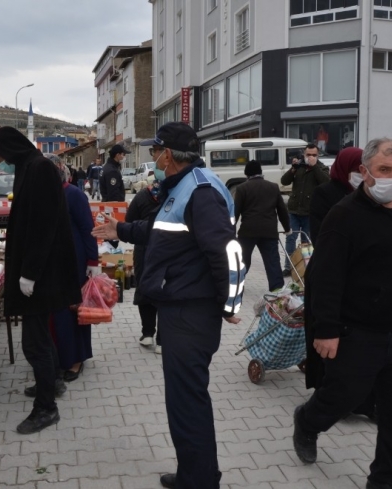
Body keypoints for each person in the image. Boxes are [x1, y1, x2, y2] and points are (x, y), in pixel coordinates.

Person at [92, 122, 245, 489]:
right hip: (180, 307)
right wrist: (121, 230)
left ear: (170, 156)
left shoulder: (201, 191)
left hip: (191, 314)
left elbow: (228, 252)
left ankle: (199, 481)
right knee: (184, 401)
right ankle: (197, 472)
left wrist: (231, 304)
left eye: (155, 151)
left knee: (187, 403)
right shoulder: (180, 187)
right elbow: (162, 230)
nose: (152, 158)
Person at [293, 138, 392, 489]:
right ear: (364, 172)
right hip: (357, 334)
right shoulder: (344, 216)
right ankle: (307, 421)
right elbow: (325, 277)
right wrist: (325, 329)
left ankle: (385, 480)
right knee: (340, 398)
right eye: (384, 170)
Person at [0, 127, 81, 435]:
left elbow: (42, 224)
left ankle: (46, 409)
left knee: (34, 342)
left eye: (1, 157)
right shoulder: (31, 166)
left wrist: (29, 273)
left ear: (12, 149)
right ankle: (51, 382)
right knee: (40, 335)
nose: (0, 163)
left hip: (42, 274)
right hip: (42, 271)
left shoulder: (38, 169)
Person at [306, 146, 376, 421]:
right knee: (331, 343)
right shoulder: (326, 194)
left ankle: (365, 400)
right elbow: (321, 236)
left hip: (363, 283)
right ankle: (327, 400)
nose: (362, 175)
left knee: (362, 347)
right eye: (356, 169)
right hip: (330, 276)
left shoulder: (373, 196)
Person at [42, 154, 100, 382]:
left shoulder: (74, 195)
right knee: (55, 313)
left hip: (74, 261)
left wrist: (93, 263)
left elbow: (88, 229)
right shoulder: (44, 196)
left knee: (73, 310)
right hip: (51, 263)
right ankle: (56, 358)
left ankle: (75, 360)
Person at [234, 160, 290, 292]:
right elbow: (282, 210)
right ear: (261, 172)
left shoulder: (242, 188)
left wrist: (230, 230)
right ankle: (277, 288)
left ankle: (236, 284)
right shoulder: (273, 187)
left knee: (243, 259)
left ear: (247, 174)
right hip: (268, 231)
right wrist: (287, 228)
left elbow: (235, 212)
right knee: (272, 260)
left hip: (248, 231)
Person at [125, 175, 163, 353]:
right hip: (167, 250)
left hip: (143, 251)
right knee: (165, 292)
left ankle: (147, 333)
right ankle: (163, 340)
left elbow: (129, 222)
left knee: (144, 287)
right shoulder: (174, 195)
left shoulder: (141, 196)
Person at [280, 143, 329, 276]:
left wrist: (314, 167)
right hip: (294, 210)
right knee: (290, 238)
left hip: (310, 211)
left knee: (306, 240)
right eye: (308, 155)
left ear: (317, 155)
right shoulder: (299, 166)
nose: (311, 157)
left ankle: (305, 267)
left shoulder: (322, 167)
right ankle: (288, 266)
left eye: (314, 155)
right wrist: (292, 170)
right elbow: (284, 181)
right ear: (304, 154)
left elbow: (326, 182)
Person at [309, 147, 363, 243]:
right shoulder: (324, 193)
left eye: (365, 171)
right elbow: (319, 232)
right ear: (344, 168)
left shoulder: (367, 192)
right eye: (358, 172)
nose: (362, 176)